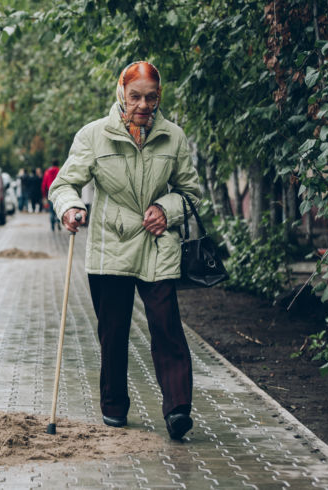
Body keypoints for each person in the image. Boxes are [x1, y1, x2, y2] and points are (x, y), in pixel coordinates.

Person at [48, 61, 202, 440]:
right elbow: (65, 183)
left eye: (151, 97)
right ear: (122, 93)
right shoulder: (94, 135)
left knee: (167, 328)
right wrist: (70, 207)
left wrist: (167, 209)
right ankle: (114, 406)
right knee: (113, 332)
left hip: (157, 244)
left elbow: (191, 193)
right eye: (136, 96)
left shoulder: (174, 137)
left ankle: (178, 409)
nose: (143, 105)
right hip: (111, 245)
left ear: (159, 97)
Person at [41, 160, 61, 231]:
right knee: (58, 209)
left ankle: (52, 225)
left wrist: (44, 193)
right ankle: (58, 221)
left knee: (51, 210)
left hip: (50, 192)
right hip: (58, 192)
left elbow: (44, 184)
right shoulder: (60, 171)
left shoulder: (47, 172)